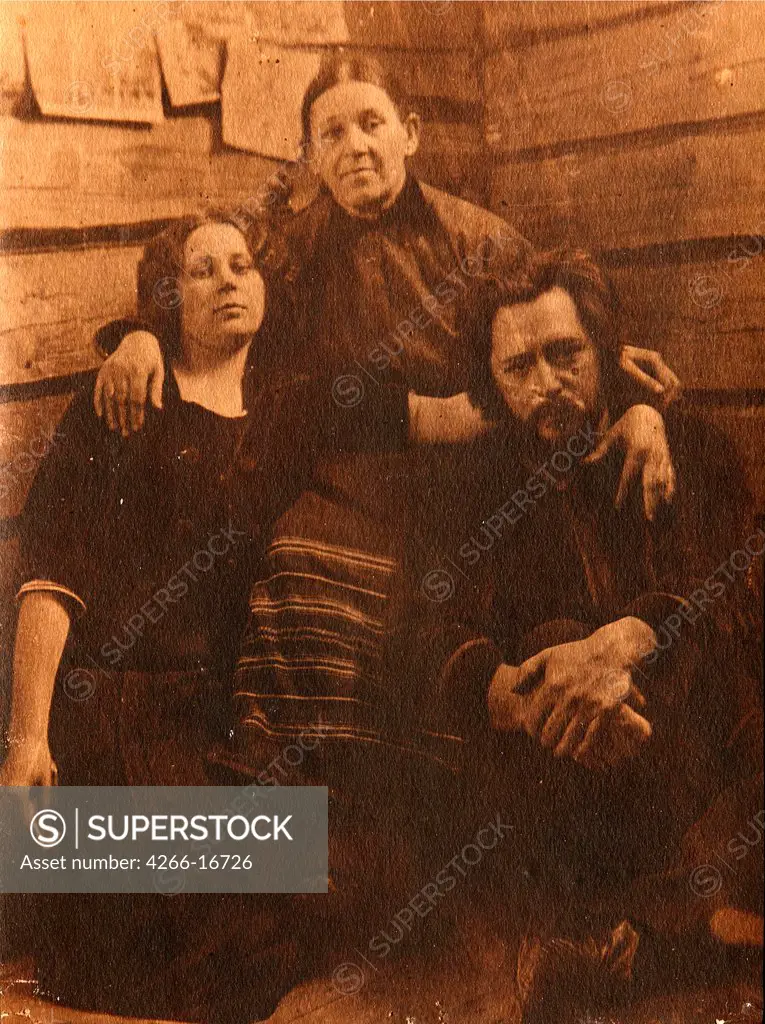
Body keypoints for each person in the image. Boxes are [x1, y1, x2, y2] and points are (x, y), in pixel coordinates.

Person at [93, 53, 680, 779]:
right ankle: (308, 785)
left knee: (504, 607)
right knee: (293, 571)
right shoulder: (289, 251)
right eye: (330, 133)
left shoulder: (477, 240)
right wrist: (140, 333)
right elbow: (209, 284)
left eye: (371, 123)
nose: (354, 147)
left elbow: (564, 335)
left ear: (409, 132)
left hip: (475, 481)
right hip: (350, 488)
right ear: (310, 155)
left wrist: (643, 411)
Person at [0, 209, 417, 1022]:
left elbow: (448, 414)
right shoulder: (121, 401)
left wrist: (611, 388)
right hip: (122, 713)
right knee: (188, 948)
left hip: (224, 722)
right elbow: (51, 575)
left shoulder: (290, 405)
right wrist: (25, 741)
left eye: (243, 265)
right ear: (167, 298)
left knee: (370, 876)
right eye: (203, 269)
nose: (230, 280)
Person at [424, 248, 763, 1023]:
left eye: (564, 353)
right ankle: (674, 929)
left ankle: (648, 934)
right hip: (559, 785)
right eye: (517, 367)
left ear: (603, 351)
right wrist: (532, 694)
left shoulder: (691, 445)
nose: (545, 382)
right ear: (490, 381)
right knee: (548, 635)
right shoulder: (468, 485)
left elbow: (727, 595)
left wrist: (619, 647)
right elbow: (423, 634)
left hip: (700, 758)